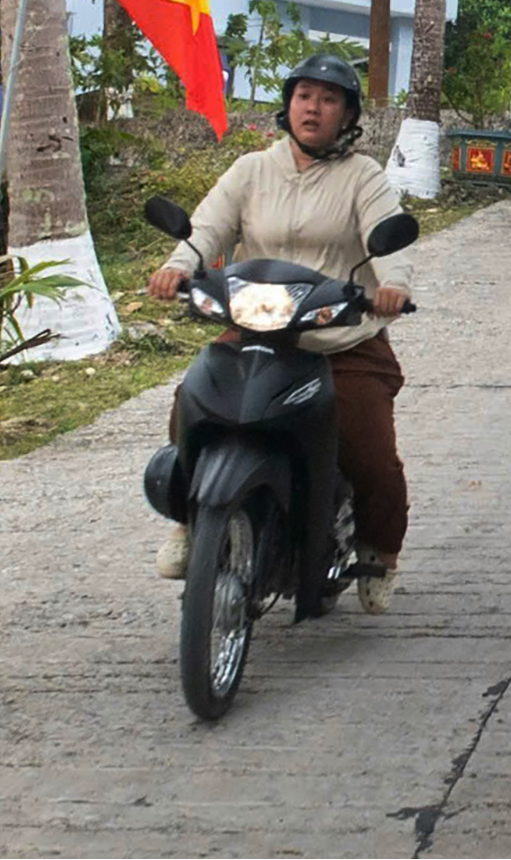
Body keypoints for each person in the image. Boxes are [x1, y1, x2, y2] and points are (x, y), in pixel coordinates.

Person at [148, 52, 414, 613]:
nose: (313, 108)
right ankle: (190, 521)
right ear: (287, 105)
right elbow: (208, 227)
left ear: (347, 115)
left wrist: (393, 284)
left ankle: (381, 550)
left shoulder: (362, 177)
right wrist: (178, 265)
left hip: (337, 338)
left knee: (369, 445)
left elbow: (388, 237)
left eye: (328, 99)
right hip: (255, 330)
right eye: (304, 96)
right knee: (189, 403)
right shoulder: (251, 169)